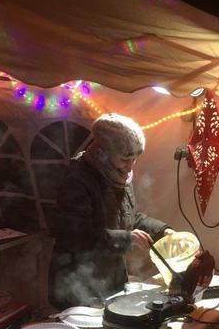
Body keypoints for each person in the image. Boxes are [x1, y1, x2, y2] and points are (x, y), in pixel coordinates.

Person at [48, 113, 174, 309]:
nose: (130, 167)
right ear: (102, 153)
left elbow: (130, 217)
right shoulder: (77, 180)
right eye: (125, 159)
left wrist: (163, 231)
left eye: (134, 159)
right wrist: (126, 238)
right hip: (77, 284)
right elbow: (76, 236)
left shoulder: (118, 176)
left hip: (110, 280)